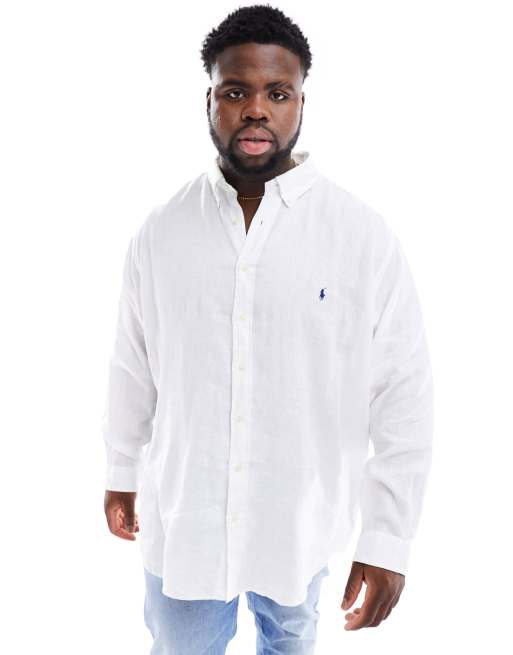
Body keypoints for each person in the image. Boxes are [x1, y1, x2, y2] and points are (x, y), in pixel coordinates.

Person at [102, 4, 434, 653]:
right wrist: (120, 466)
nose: (256, 109)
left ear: (300, 102)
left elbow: (403, 391)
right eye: (235, 92)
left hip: (299, 532)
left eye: (277, 93)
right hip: (186, 527)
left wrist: (387, 539)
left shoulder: (359, 237)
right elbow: (131, 363)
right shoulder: (161, 232)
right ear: (209, 101)